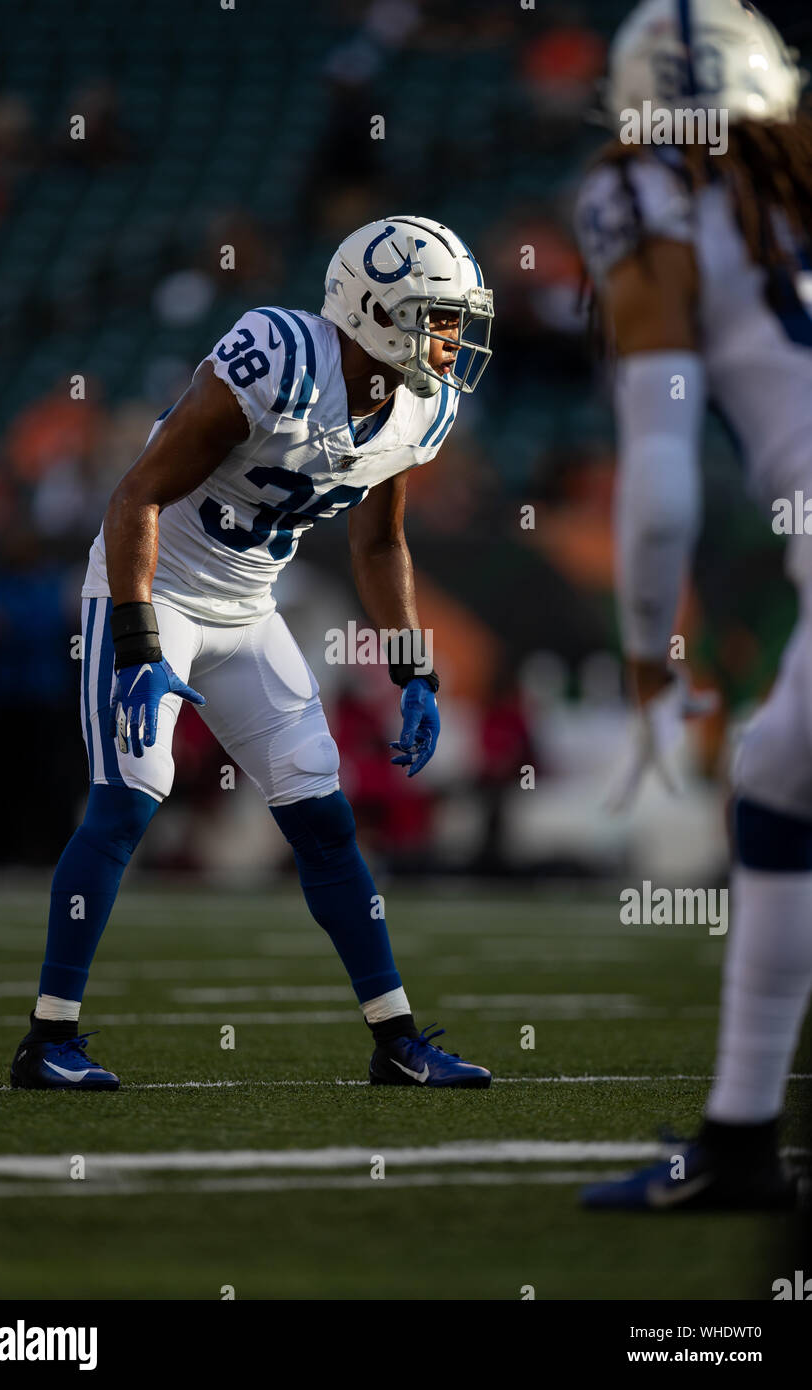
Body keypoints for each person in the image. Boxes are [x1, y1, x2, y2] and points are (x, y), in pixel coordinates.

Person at [10, 216, 494, 1092]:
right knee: (128, 802)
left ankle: (396, 1040)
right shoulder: (279, 357)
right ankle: (49, 1038)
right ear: (376, 312)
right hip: (154, 584)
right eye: (438, 315)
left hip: (250, 607)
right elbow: (136, 497)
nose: (454, 338)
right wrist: (136, 642)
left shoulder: (421, 402)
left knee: (323, 815)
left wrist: (413, 668)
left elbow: (379, 544)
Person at [574, 0, 810, 1208]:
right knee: (777, 771)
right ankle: (736, 1143)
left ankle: (735, 1150)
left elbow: (659, 483)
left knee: (776, 783)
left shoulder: (650, 190)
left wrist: (641, 654)